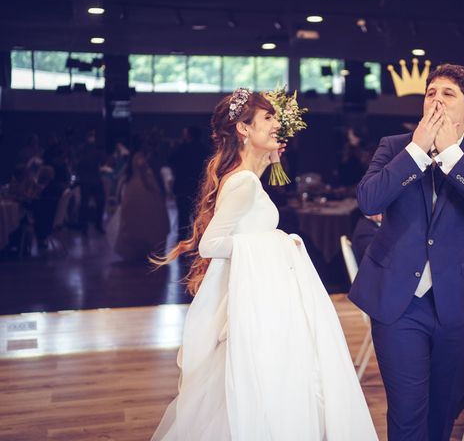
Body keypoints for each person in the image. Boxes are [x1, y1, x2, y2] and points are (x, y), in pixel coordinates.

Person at [151, 89, 377, 440]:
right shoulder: (242, 182)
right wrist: (278, 243)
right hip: (257, 306)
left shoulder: (247, 178)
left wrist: (268, 162)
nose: (277, 125)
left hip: (262, 300)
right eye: (268, 119)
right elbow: (211, 243)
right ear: (243, 128)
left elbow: (245, 223)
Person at [350, 64, 464, 441]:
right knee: (407, 413)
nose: (436, 99)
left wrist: (451, 156)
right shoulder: (394, 147)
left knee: (443, 411)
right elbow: (368, 198)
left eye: (448, 94)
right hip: (398, 303)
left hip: (454, 301)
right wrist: (418, 151)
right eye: (431, 92)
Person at [111, 143, 170, 261]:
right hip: (142, 187)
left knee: (138, 217)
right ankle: (145, 246)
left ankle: (140, 248)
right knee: (147, 216)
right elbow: (143, 174)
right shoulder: (139, 156)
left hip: (134, 186)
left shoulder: (134, 158)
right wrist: (150, 187)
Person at [168, 125, 210, 240]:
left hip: (183, 186)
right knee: (198, 215)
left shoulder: (183, 148)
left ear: (189, 135)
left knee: (183, 216)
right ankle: (198, 239)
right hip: (198, 187)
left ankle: (183, 240)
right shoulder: (204, 149)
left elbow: (170, 161)